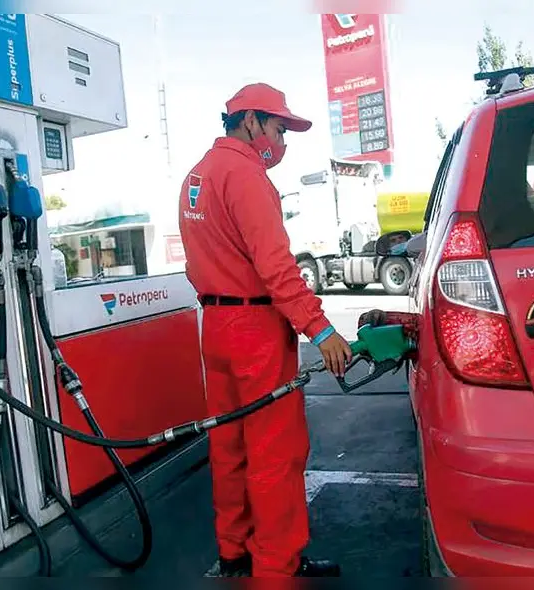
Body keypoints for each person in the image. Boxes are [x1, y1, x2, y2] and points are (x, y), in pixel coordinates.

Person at [178, 82, 353, 578]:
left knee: (229, 444)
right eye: (279, 127)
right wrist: (320, 329)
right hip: (254, 327)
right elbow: (276, 266)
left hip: (215, 325)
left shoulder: (200, 172)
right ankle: (276, 568)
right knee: (276, 453)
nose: (282, 140)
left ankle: (234, 551)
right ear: (250, 121)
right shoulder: (245, 174)